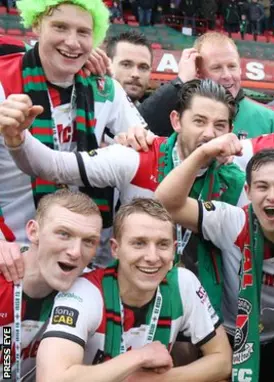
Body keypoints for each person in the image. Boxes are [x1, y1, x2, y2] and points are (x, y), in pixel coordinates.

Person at [3, 79, 247, 304]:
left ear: (230, 130)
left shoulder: (234, 180)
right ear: (176, 121)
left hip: (199, 301)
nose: (209, 134)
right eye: (199, 121)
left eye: (219, 125)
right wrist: (17, 137)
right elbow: (53, 166)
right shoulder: (137, 156)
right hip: (124, 297)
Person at [155, 138, 274, 381]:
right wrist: (203, 152)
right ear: (248, 192)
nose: (273, 196)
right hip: (233, 337)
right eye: (262, 187)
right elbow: (166, 203)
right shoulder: (232, 221)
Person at [0, 0, 147, 247]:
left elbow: (148, 152)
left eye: (83, 32)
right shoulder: (4, 78)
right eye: (60, 27)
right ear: (37, 25)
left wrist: (134, 140)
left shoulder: (105, 88)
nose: (72, 42)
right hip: (15, 248)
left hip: (84, 250)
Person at [36, 198, 232, 381]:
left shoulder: (183, 283)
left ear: (174, 249)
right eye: (139, 243)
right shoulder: (86, 292)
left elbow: (222, 360)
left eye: (162, 244)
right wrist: (140, 357)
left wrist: (158, 380)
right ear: (115, 249)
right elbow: (51, 378)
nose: (152, 257)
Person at [1, 189, 103, 382]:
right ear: (33, 232)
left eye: (89, 241)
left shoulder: (91, 290)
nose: (75, 252)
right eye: (64, 234)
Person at [138, 32, 274, 140]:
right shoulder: (179, 115)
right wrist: (180, 81)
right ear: (198, 72)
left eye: (232, 66)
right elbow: (139, 122)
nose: (227, 75)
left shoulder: (270, 119)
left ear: (240, 69)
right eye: (216, 68)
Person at [104, 30, 152, 105]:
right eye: (126, 65)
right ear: (108, 65)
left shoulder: (150, 116)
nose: (136, 74)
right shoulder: (85, 109)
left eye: (143, 67)